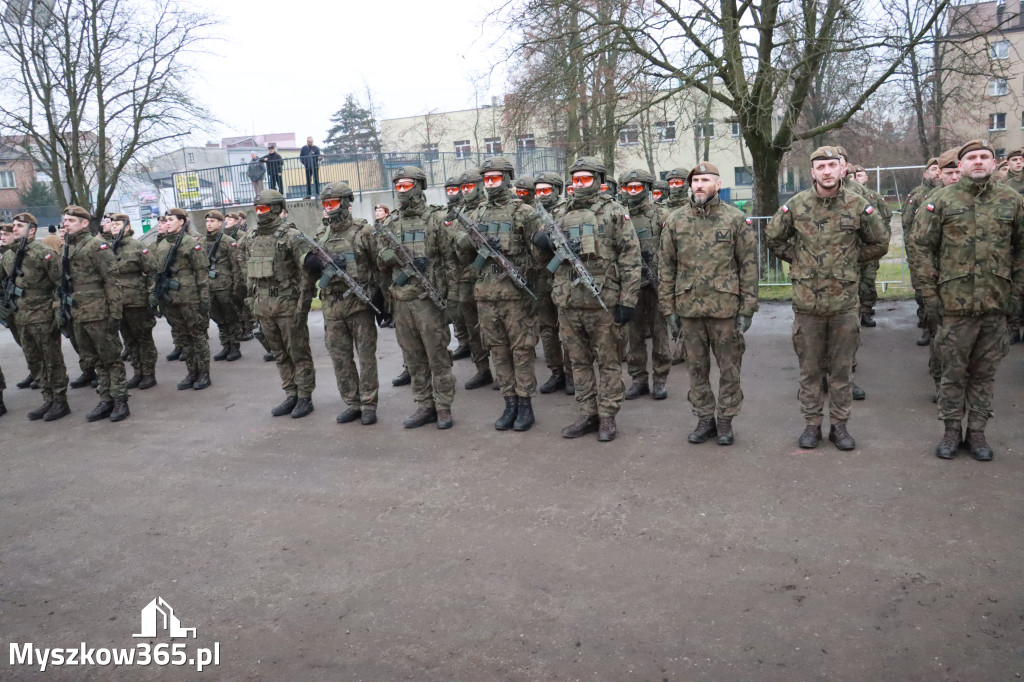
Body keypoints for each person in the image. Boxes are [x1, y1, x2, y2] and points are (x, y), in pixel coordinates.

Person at [765, 146, 889, 451]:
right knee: (809, 370)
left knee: (842, 369)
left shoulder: (858, 205)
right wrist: (799, 259)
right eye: (820, 166)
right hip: (807, 304)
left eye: (832, 165)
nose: (827, 171)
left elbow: (880, 241)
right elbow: (773, 237)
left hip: (844, 303)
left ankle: (839, 426)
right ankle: (811, 425)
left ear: (843, 168)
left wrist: (849, 260)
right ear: (812, 172)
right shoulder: (796, 205)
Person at [913, 139, 1024, 461]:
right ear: (959, 165)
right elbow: (922, 249)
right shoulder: (941, 200)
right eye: (971, 158)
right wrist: (930, 296)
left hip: (995, 303)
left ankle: (977, 431)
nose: (978, 162)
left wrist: (1016, 294)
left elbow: (1020, 250)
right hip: (953, 305)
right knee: (953, 371)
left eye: (984, 157)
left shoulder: (1012, 201)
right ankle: (950, 430)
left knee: (985, 373)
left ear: (994, 163)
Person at [532, 156, 641, 442]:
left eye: (586, 179)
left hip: (604, 301)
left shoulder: (614, 212)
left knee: (608, 362)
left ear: (600, 181)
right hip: (568, 302)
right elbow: (543, 259)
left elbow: (630, 258)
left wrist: (628, 301)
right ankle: (587, 412)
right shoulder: (559, 213)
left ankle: (607, 416)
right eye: (576, 180)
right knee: (578, 363)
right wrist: (541, 243)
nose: (579, 185)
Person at [658, 163, 759, 445]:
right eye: (695, 181)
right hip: (688, 309)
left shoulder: (735, 219)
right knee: (696, 368)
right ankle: (704, 419)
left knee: (730, 368)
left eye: (705, 180)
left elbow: (748, 266)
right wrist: (668, 308)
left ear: (717, 184)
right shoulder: (676, 220)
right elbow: (665, 266)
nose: (699, 185)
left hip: (725, 309)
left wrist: (747, 309)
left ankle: (725, 420)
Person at [453, 156, 540, 431]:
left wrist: (522, 273)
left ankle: (525, 404)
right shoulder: (475, 215)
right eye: (487, 179)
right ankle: (509, 402)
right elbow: (459, 251)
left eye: (496, 178)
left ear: (507, 178)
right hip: (486, 296)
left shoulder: (523, 212)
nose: (491, 184)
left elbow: (539, 257)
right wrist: (467, 240)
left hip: (515, 296)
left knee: (522, 351)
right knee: (498, 352)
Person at [376, 166, 457, 429]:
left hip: (429, 301)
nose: (402, 190)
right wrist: (392, 256)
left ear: (419, 186)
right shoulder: (391, 222)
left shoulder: (436, 219)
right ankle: (424, 405)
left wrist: (452, 299)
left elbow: (450, 261)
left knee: (437, 356)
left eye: (406, 184)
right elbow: (380, 259)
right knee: (413, 357)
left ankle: (443, 406)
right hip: (402, 301)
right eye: (397, 185)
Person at [305, 182, 381, 425]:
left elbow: (378, 267)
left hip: (359, 305)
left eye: (333, 203)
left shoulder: (363, 231)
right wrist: (313, 264)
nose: (329, 208)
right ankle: (352, 402)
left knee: (366, 357)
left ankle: (369, 403)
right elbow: (309, 271)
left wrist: (380, 300)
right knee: (340, 358)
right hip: (332, 306)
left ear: (346, 203)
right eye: (326, 204)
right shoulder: (320, 235)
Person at [243, 189, 317, 417]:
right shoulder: (251, 238)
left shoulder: (292, 236)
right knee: (279, 354)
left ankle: (305, 397)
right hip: (264, 305)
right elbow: (249, 273)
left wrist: (302, 306)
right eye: (257, 209)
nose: (259, 213)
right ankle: (290, 394)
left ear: (276, 209)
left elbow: (307, 274)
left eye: (263, 208)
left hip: (287, 304)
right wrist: (251, 302)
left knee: (298, 352)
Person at [61, 205, 131, 421]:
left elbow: (112, 280)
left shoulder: (96, 245)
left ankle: (120, 401)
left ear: (84, 223)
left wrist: (115, 313)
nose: (66, 224)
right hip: (79, 313)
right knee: (95, 360)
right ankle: (106, 399)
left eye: (71, 220)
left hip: (99, 312)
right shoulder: (68, 247)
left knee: (111, 358)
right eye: (65, 220)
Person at [0, 213, 70, 421]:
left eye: (19, 226)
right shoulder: (10, 256)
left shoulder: (45, 252)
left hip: (43, 314)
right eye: (13, 226)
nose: (15, 229)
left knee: (52, 360)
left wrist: (57, 311)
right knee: (34, 360)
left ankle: (60, 401)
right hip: (21, 316)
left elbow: (60, 284)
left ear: (32, 230)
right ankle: (47, 398)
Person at [618, 168, 671, 401]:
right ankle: (638, 379)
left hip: (657, 283)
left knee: (660, 333)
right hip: (631, 284)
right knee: (635, 334)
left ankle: (660, 379)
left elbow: (671, 249)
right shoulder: (619, 216)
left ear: (647, 189)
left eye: (637, 187)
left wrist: (660, 272)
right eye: (628, 187)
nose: (632, 192)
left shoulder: (661, 215)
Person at [153, 208, 213, 392]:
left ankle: (204, 373)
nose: (167, 222)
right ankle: (191, 371)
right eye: (166, 220)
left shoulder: (190, 243)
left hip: (190, 298)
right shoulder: (161, 245)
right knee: (182, 336)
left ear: (182, 222)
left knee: (196, 336)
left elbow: (202, 274)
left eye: (171, 219)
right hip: (170, 299)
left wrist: (204, 300)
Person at [104, 213, 158, 390]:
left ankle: (149, 373)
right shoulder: (108, 247)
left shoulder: (137, 246)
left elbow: (151, 271)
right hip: (118, 301)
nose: (114, 226)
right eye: (112, 223)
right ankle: (138, 372)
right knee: (129, 340)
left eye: (118, 224)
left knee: (142, 337)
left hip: (136, 299)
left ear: (127, 227)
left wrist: (151, 294)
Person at [452, 169, 494, 390]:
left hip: (488, 277)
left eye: (469, 186)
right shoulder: (457, 213)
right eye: (463, 187)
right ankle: (482, 370)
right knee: (472, 328)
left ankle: (501, 369)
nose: (466, 191)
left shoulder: (487, 210)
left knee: (492, 326)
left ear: (479, 186)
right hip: (464, 279)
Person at [533, 171, 573, 395]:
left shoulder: (567, 212)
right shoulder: (533, 214)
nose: (541, 195)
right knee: (547, 329)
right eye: (538, 191)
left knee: (567, 330)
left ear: (557, 191)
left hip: (562, 278)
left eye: (546, 190)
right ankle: (555, 371)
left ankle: (570, 373)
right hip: (540, 278)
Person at [904, 157, 941, 344]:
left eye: (939, 169)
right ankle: (927, 327)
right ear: (925, 173)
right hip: (922, 255)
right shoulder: (918, 195)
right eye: (933, 169)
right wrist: (912, 255)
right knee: (924, 294)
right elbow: (908, 226)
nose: (937, 172)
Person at [204, 210, 244, 362]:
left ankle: (234, 346)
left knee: (230, 317)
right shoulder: (202, 242)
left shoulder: (227, 241)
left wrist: (236, 287)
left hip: (225, 286)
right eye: (207, 221)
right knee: (218, 318)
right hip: (209, 286)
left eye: (212, 221)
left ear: (220, 224)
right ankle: (225, 345)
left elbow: (236, 266)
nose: (209, 224)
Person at [443, 176, 471, 360]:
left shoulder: (465, 211)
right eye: (449, 190)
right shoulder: (447, 213)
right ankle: (463, 342)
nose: (452, 193)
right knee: (455, 309)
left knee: (469, 309)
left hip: (466, 266)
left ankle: (476, 345)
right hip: (451, 269)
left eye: (455, 190)